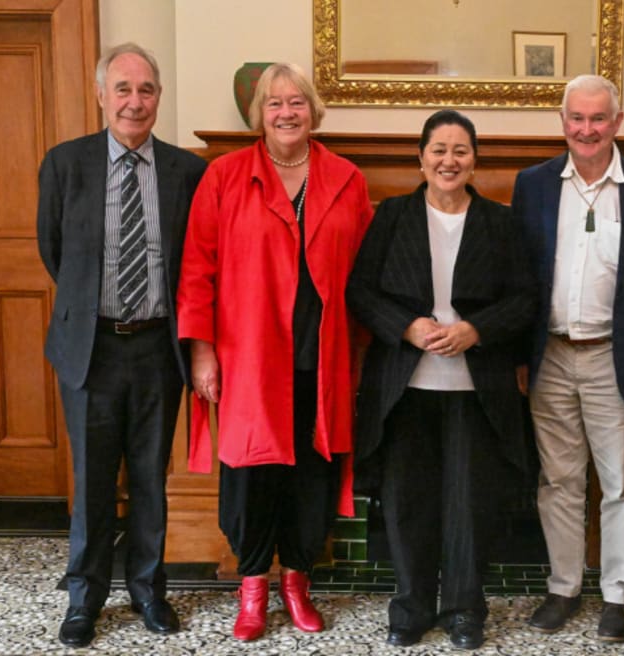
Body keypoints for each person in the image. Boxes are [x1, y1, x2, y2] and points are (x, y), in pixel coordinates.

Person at [176, 62, 372, 643]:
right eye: (274, 104)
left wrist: (362, 358)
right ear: (258, 114)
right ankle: (254, 586)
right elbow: (197, 270)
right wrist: (203, 353)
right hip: (249, 358)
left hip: (323, 355)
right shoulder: (225, 177)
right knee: (252, 475)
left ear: (314, 111)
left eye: (297, 103)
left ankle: (298, 582)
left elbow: (363, 276)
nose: (286, 113)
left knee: (311, 474)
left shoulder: (346, 179)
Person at [36, 43, 207, 648]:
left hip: (159, 349)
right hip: (91, 347)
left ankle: (147, 591)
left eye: (147, 90)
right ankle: (84, 597)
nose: (136, 101)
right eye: (124, 89)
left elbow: (195, 262)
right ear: (103, 95)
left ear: (158, 97)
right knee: (92, 480)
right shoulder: (65, 164)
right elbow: (55, 252)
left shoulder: (189, 171)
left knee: (150, 478)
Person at [346, 110, 537, 650]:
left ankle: (463, 609)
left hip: (478, 389)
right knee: (408, 501)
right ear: (421, 158)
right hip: (406, 386)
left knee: (469, 502)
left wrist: (476, 331)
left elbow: (525, 298)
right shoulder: (393, 216)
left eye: (460, 150)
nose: (449, 160)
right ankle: (410, 606)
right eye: (439, 149)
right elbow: (360, 290)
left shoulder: (499, 223)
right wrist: (407, 327)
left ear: (474, 159)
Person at [512, 74, 624, 643]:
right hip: (550, 355)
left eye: (598, 118)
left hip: (619, 357)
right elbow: (520, 281)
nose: (587, 129)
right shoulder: (531, 185)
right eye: (577, 119)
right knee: (557, 481)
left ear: (617, 122)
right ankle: (563, 587)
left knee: (620, 484)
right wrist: (518, 356)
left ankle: (618, 596)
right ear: (563, 123)